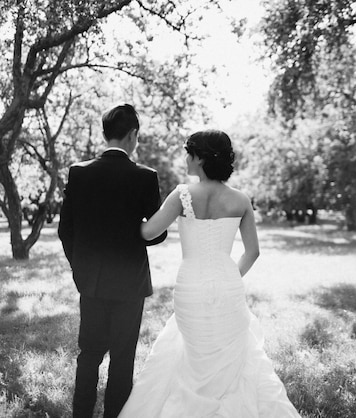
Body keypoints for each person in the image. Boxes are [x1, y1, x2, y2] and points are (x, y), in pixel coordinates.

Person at [118, 130, 301, 417]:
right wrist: (228, 278)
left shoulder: (182, 195)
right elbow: (253, 252)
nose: (186, 158)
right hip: (228, 286)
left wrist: (123, 215)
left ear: (201, 158)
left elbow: (148, 231)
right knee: (231, 356)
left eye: (189, 153)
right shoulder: (240, 200)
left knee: (194, 356)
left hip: (190, 286)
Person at [58, 103, 167, 418]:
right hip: (130, 284)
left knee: (88, 355)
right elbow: (155, 234)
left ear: (105, 133)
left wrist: (79, 268)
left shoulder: (79, 172)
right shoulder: (145, 176)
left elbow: (66, 230)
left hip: (90, 281)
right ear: (133, 135)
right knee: (122, 359)